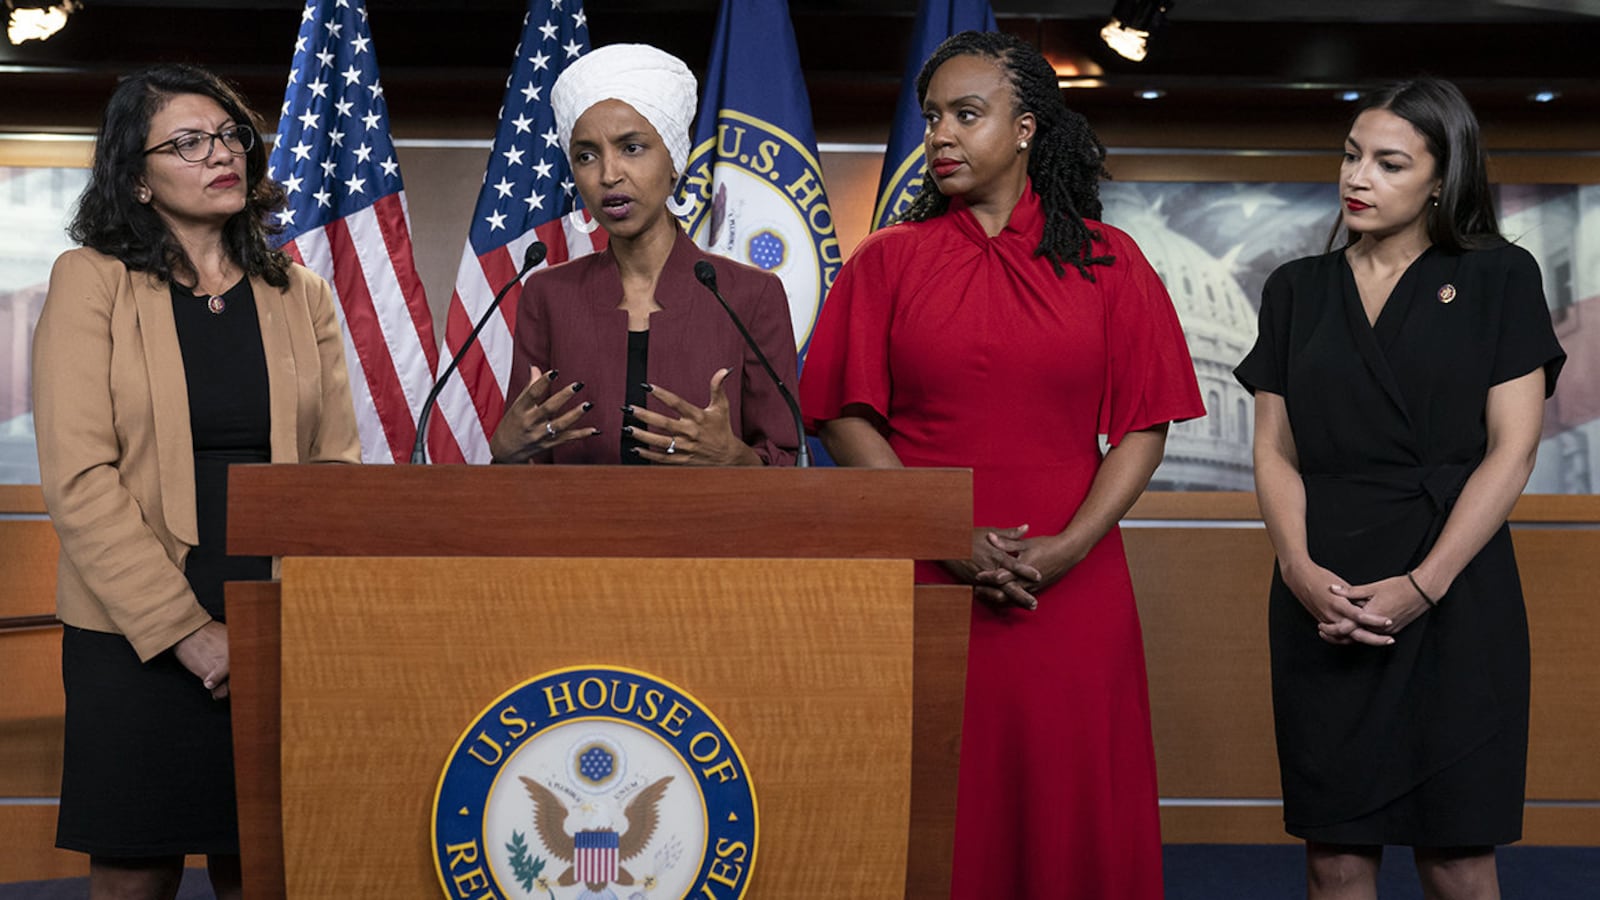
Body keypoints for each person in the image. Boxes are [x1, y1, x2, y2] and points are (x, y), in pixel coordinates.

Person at [800, 31, 1203, 898]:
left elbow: (1143, 427)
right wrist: (945, 534)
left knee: (1068, 805)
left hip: (1073, 583)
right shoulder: (888, 263)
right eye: (933, 116)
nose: (941, 134)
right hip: (923, 576)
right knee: (936, 807)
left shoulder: (1110, 262)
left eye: (966, 115)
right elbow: (840, 415)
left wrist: (1068, 546)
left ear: (1025, 129)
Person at [32, 64, 361, 899]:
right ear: (136, 179)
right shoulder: (90, 280)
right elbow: (79, 478)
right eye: (186, 143)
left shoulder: (302, 293)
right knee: (136, 873)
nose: (220, 154)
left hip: (274, 619)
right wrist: (187, 631)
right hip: (135, 636)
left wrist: (295, 616)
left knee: (269, 868)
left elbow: (336, 472)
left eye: (228, 136)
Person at [1234, 77, 1564, 900]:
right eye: (1352, 155)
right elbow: (1274, 451)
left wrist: (1425, 584)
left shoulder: (1501, 276)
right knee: (1334, 855)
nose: (1358, 177)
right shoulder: (1296, 289)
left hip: (1456, 587)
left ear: (1442, 179)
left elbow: (1512, 452)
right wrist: (1298, 572)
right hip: (1325, 588)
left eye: (1388, 163)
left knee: (1457, 854)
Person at [489, 43, 799, 467]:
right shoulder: (547, 294)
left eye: (631, 148)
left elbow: (790, 461)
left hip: (712, 530)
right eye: (586, 156)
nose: (609, 174)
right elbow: (526, 462)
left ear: (675, 159)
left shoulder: (750, 294)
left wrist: (736, 460)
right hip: (570, 529)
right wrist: (504, 453)